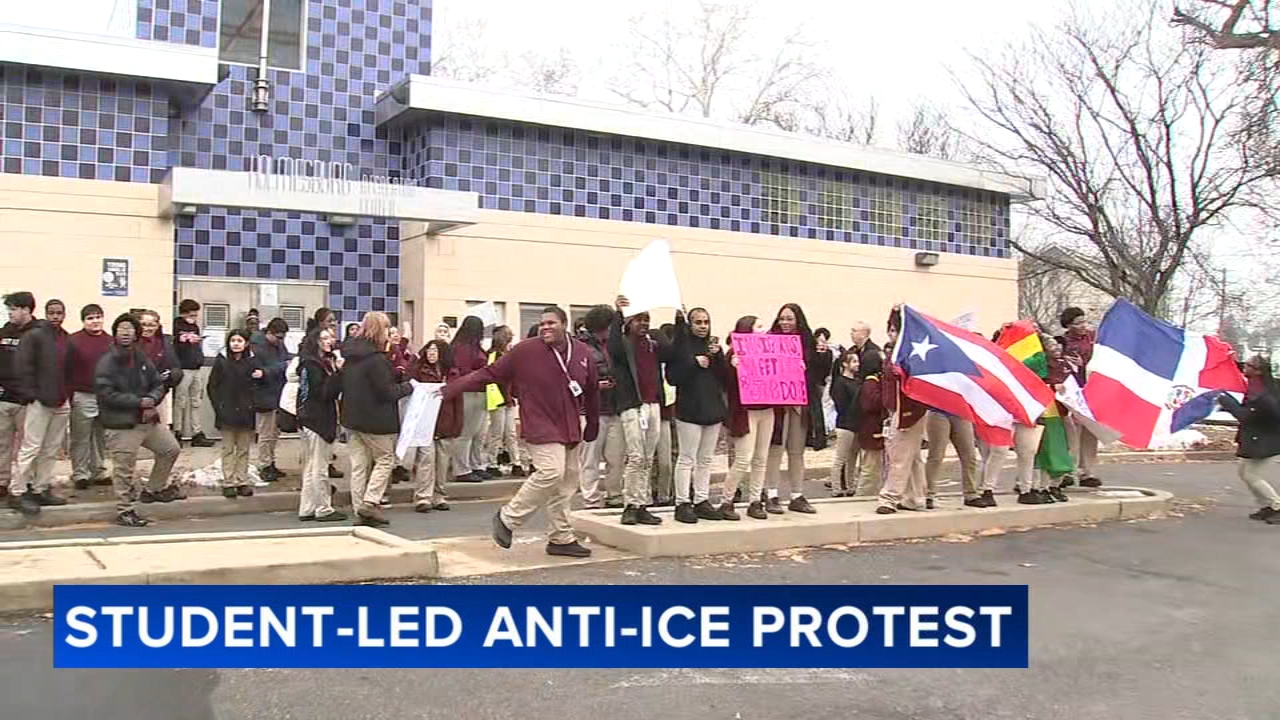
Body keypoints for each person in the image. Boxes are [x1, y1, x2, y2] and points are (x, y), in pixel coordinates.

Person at [442, 306, 599, 558]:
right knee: (550, 472)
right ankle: (507, 518)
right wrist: (450, 389)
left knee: (567, 484)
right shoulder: (525, 350)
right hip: (539, 422)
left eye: (551, 323)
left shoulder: (581, 352)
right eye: (542, 323)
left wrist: (592, 423)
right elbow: (489, 373)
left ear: (564, 324)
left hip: (570, 426)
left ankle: (561, 537)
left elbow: (591, 390)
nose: (545, 327)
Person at [95, 313, 182, 526]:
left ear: (136, 334)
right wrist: (138, 402)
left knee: (170, 449)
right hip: (121, 423)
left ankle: (153, 489)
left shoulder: (141, 356)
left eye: (130, 328)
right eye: (121, 328)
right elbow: (106, 394)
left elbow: (158, 382)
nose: (126, 332)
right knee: (124, 468)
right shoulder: (107, 361)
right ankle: (125, 510)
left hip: (146, 420)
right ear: (115, 333)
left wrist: (151, 400)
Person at [339, 312, 413, 527]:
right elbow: (386, 393)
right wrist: (408, 387)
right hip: (376, 420)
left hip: (351, 417)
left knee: (359, 466)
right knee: (385, 460)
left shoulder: (351, 355)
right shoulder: (377, 359)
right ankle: (370, 503)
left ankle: (358, 509)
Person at [764, 303, 830, 515]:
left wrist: (816, 360)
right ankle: (771, 494)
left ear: (798, 320)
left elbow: (819, 377)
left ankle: (796, 495)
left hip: (799, 404)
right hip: (776, 405)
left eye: (789, 318)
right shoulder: (769, 340)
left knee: (796, 451)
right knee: (775, 450)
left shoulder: (809, 343)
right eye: (782, 318)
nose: (785, 322)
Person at [10, 298, 72, 513]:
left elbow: (70, 368)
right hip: (39, 401)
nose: (56, 316)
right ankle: (17, 491)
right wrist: (31, 395)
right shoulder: (35, 335)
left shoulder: (65, 337)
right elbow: (22, 367)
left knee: (51, 449)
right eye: (52, 312)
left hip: (61, 401)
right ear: (46, 314)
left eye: (59, 312)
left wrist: (68, 394)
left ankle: (40, 488)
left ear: (65, 314)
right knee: (31, 447)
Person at [667, 307, 728, 523]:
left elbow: (725, 378)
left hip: (712, 409)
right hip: (689, 410)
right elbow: (672, 377)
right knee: (686, 458)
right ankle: (682, 502)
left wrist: (719, 356)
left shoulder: (713, 347)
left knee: (706, 459)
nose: (702, 326)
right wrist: (694, 363)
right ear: (689, 324)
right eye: (698, 322)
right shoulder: (681, 347)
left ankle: (702, 499)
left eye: (705, 322)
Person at [610, 296, 665, 526]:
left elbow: (673, 352)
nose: (643, 324)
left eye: (647, 320)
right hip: (633, 405)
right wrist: (618, 314)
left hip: (652, 405)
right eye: (639, 320)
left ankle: (643, 503)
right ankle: (630, 504)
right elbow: (613, 346)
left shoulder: (652, 344)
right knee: (636, 457)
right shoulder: (624, 344)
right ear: (629, 323)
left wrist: (681, 321)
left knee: (648, 458)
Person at [722, 316, 775, 520]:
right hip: (746, 412)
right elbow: (727, 384)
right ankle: (727, 500)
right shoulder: (732, 355)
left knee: (761, 458)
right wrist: (732, 367)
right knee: (744, 458)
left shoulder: (769, 351)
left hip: (766, 409)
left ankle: (755, 501)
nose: (763, 330)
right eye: (758, 327)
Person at [876, 307, 928, 514]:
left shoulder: (913, 353)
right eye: (890, 329)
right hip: (895, 409)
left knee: (898, 455)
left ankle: (889, 497)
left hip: (908, 409)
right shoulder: (893, 352)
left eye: (895, 329)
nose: (891, 334)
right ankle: (915, 497)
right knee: (912, 456)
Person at [1218, 355, 1280, 525]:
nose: (1244, 367)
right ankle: (1267, 506)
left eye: (1249, 365)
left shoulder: (1265, 397)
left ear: (1258, 371)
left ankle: (1277, 506)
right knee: (1244, 473)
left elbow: (1245, 416)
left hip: (1268, 442)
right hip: (1256, 439)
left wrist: (1227, 401)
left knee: (1252, 475)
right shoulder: (1257, 389)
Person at [295, 327, 346, 521]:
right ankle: (323, 508)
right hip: (317, 420)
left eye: (331, 337)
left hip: (307, 418)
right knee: (319, 466)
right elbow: (324, 393)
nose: (329, 341)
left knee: (311, 466)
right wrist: (338, 373)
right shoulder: (314, 365)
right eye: (324, 338)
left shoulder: (311, 363)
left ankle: (307, 507)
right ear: (315, 341)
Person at [578, 305, 624, 509]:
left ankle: (615, 494)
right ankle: (591, 498)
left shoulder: (615, 345)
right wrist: (594, 386)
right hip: (590, 411)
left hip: (615, 407)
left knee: (616, 457)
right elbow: (573, 378)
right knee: (590, 458)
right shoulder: (581, 347)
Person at [410, 339, 462, 513]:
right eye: (429, 350)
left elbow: (458, 402)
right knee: (426, 460)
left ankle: (439, 496)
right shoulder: (419, 370)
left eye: (435, 350)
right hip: (426, 423)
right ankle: (423, 497)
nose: (431, 353)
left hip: (446, 422)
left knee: (442, 463)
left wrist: (457, 424)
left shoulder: (453, 374)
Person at [207, 330, 261, 499]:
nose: (236, 344)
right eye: (233, 340)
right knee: (228, 448)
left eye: (240, 340)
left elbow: (258, 385)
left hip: (246, 411)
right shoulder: (221, 361)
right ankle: (229, 482)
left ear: (246, 343)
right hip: (227, 410)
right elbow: (212, 386)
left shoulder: (252, 360)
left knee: (244, 448)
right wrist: (219, 406)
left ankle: (241, 480)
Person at [66, 304, 113, 490]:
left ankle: (99, 471)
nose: (95, 321)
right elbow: (66, 369)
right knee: (81, 437)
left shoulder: (111, 341)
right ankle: (80, 473)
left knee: (100, 436)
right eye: (90, 318)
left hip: (105, 396)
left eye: (98, 317)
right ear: (84, 321)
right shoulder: (74, 340)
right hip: (82, 394)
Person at [1058, 306, 1102, 488]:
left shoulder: (1094, 338)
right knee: (1072, 432)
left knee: (1091, 431)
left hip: (1092, 388)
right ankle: (1068, 470)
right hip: (1072, 390)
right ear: (1069, 325)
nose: (1083, 326)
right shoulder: (1063, 342)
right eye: (1078, 323)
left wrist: (1086, 364)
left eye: (1084, 321)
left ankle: (1087, 471)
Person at [0, 292, 38, 500]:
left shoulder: (39, 332)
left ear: (26, 310)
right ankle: (2, 482)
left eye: (13, 309)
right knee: (2, 444)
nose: (10, 313)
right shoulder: (4, 331)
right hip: (4, 399)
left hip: (28, 400)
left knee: (27, 447)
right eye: (9, 309)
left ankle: (24, 483)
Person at [449, 316, 491, 483]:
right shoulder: (463, 348)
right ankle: (461, 469)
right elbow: (463, 371)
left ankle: (475, 465)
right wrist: (483, 373)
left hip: (479, 391)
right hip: (469, 392)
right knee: (466, 433)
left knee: (477, 433)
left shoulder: (474, 347)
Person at [250, 318, 291, 482]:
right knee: (266, 433)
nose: (281, 341)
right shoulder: (257, 346)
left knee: (274, 433)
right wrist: (281, 367)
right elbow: (258, 371)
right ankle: (264, 464)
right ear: (269, 333)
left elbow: (284, 360)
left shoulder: (278, 345)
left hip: (276, 393)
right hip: (264, 394)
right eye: (278, 337)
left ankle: (270, 462)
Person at [172, 299, 214, 447]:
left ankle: (197, 432)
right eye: (191, 314)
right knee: (180, 402)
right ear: (183, 313)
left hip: (196, 367)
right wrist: (184, 339)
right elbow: (175, 343)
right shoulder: (176, 325)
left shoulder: (195, 327)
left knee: (196, 401)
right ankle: (177, 431)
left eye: (195, 315)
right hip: (183, 368)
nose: (194, 317)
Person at [136, 310, 184, 435]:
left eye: (151, 325)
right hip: (135, 397)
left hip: (159, 395)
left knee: (161, 436)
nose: (147, 328)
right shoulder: (130, 343)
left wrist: (170, 377)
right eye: (143, 324)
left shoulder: (166, 342)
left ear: (157, 326)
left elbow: (176, 367)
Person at [482, 325, 518, 478]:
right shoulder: (493, 355)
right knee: (497, 433)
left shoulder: (509, 354)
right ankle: (492, 462)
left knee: (511, 433)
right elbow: (495, 378)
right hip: (497, 399)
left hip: (508, 399)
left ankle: (516, 462)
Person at [827, 351, 864, 498]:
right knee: (840, 457)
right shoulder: (840, 382)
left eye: (857, 361)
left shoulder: (857, 381)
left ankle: (850, 485)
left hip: (857, 424)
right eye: (854, 361)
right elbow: (841, 405)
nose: (857, 364)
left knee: (852, 457)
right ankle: (836, 487)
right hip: (845, 424)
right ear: (845, 364)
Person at [387, 325, 417, 487]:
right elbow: (398, 370)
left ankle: (398, 464)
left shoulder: (404, 353)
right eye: (391, 334)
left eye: (396, 333)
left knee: (402, 433)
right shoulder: (388, 353)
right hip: (392, 396)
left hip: (404, 396)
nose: (395, 336)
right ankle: (393, 466)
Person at [853, 353, 887, 496]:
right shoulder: (870, 383)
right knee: (870, 468)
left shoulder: (871, 382)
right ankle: (862, 496)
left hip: (871, 430)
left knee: (875, 467)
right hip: (872, 431)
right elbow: (871, 404)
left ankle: (871, 493)